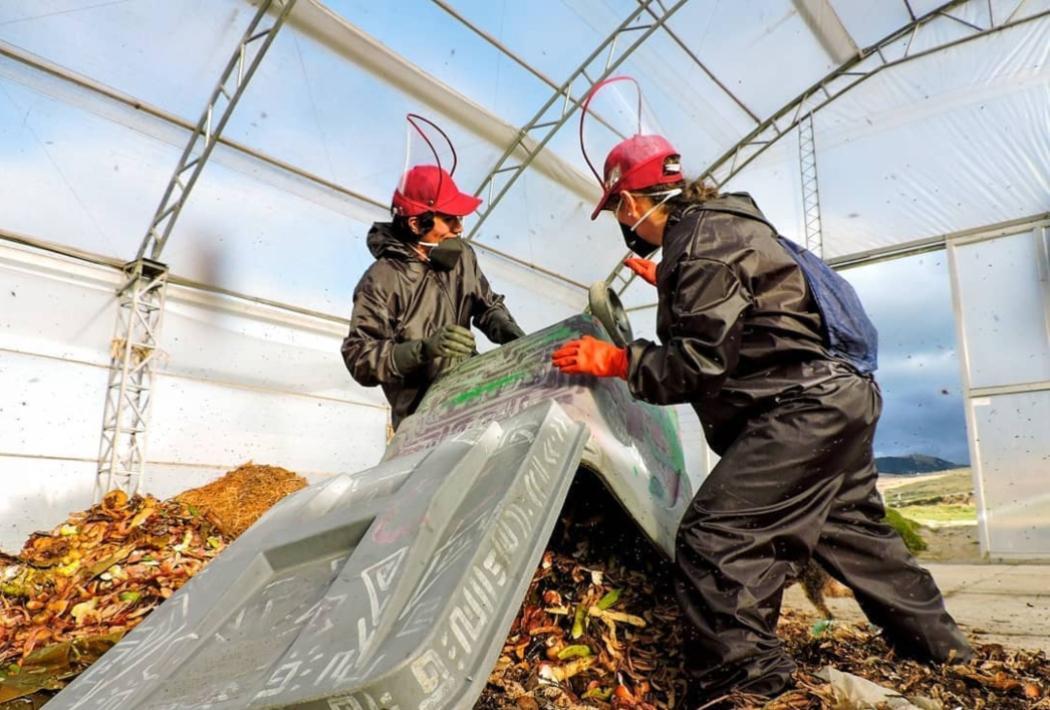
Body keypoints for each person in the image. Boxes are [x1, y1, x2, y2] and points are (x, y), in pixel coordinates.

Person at [551, 132, 972, 704]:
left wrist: (620, 359)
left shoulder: (700, 245)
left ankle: (749, 690)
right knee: (855, 535)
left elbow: (698, 364)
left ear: (630, 204)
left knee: (716, 539)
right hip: (843, 397)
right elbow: (756, 306)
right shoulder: (729, 229)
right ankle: (942, 652)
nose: (624, 225)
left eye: (617, 213)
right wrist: (674, 281)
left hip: (800, 409)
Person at [342, 162, 524, 432]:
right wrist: (423, 350)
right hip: (423, 420)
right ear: (416, 224)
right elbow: (359, 357)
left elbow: (486, 306)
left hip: (472, 394)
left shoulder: (462, 256)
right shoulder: (381, 280)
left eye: (460, 219)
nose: (459, 228)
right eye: (449, 219)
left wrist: (510, 332)